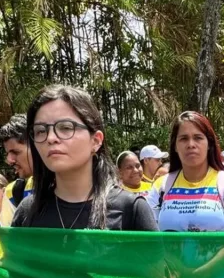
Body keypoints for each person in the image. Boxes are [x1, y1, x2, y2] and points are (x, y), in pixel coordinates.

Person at [13, 85, 157, 230]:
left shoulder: (130, 209)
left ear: (96, 141)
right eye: (40, 131)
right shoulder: (27, 212)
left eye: (65, 127)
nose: (50, 138)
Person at [146, 111, 224, 232]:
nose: (191, 144)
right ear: (175, 145)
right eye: (184, 138)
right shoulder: (160, 187)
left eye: (198, 138)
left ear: (209, 144)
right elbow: (149, 237)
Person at [0, 114, 34, 206]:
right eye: (7, 153)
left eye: (15, 152)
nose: (9, 160)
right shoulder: (13, 192)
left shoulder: (72, 187)